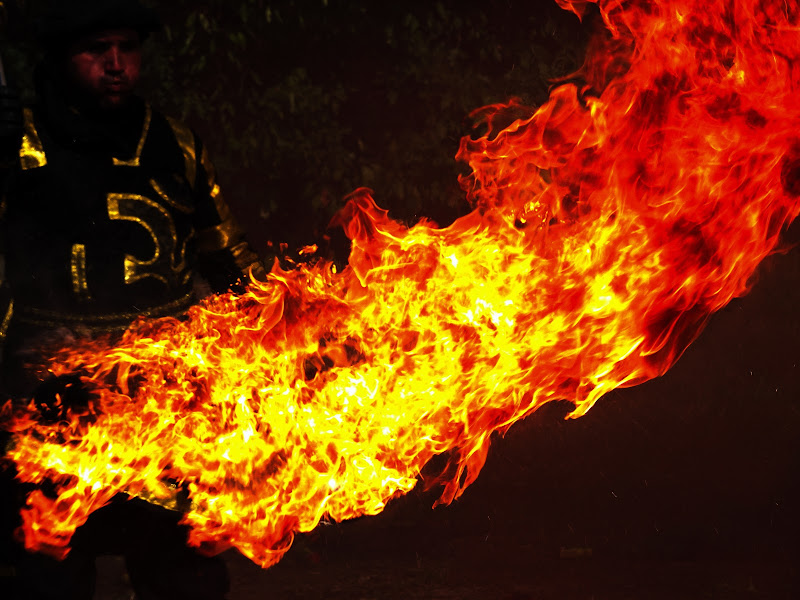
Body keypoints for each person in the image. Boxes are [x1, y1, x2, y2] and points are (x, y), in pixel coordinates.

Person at [0, 1, 265, 598]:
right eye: (97, 50)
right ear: (63, 59)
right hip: (49, 404)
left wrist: (280, 324)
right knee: (46, 579)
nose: (116, 64)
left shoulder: (175, 144)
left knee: (185, 576)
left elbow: (226, 257)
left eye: (127, 49)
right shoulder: (20, 141)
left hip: (164, 406)